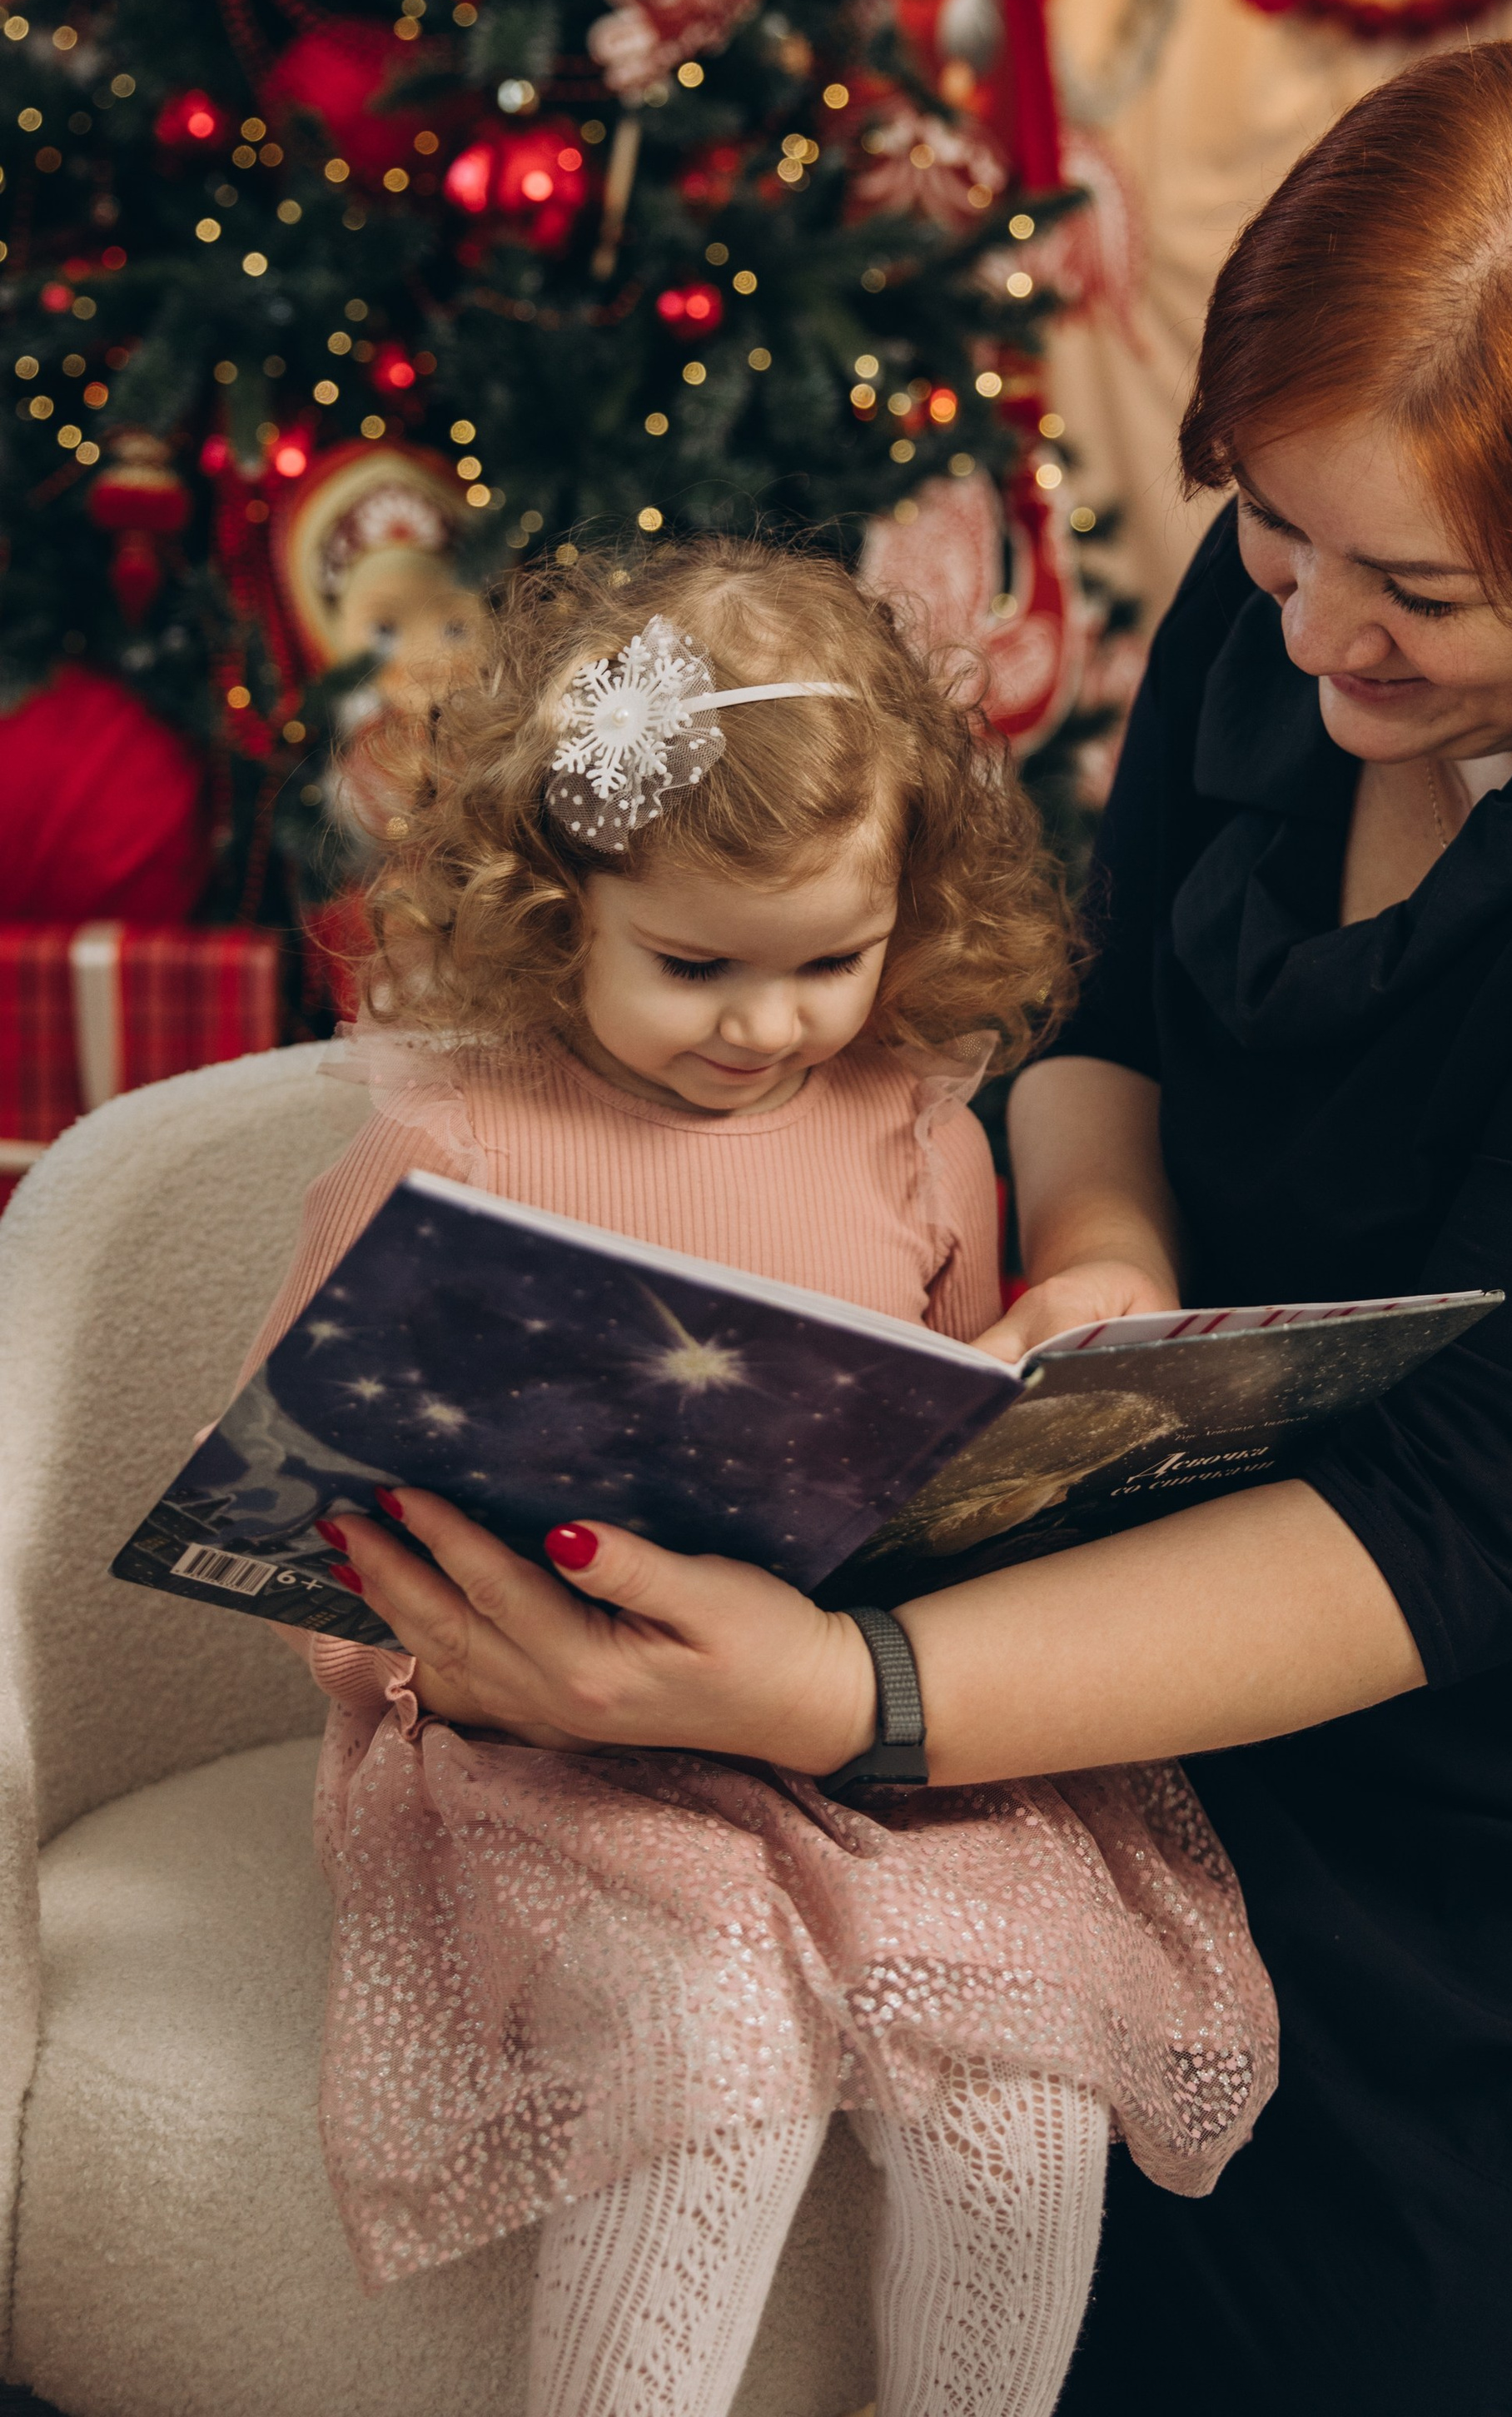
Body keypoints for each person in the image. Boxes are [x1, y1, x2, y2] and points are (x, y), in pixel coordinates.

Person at [327, 44, 1512, 2417]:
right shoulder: (1293, 590)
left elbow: (1480, 1523)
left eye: (1425, 596)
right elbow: (1120, 1003)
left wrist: (852, 1705)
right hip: (1281, 1591)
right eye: (1277, 539)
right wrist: (1104, 1261)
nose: (1314, 645)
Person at [231, 536, 1275, 2417]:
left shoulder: (913, 1129)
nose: (766, 1023)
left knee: (1023, 2109)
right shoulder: (454, 1143)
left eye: (830, 962)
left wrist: (1049, 1357)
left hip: (875, 1734)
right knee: (706, 2069)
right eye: (694, 964)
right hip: (558, 1745)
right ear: (562, 906)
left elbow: (968, 1437)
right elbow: (301, 1485)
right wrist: (413, 1659)